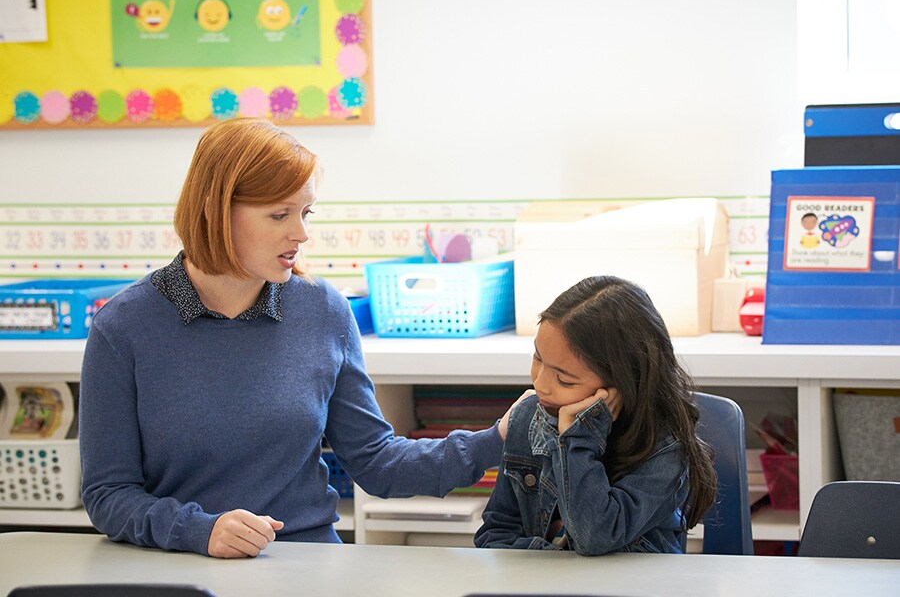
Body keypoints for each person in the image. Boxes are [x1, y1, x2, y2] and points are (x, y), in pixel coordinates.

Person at [79, 118, 516, 559]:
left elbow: (378, 462)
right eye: (279, 215)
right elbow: (108, 494)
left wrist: (497, 438)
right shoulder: (123, 328)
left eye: (305, 213)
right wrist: (199, 531)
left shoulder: (323, 310)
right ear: (214, 208)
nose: (301, 234)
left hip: (304, 562)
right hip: (181, 562)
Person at [474, 276, 717, 555]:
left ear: (622, 385)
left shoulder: (665, 450)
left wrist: (577, 441)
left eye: (564, 380)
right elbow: (495, 532)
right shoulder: (528, 418)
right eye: (538, 358)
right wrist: (559, 559)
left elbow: (596, 537)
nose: (539, 384)